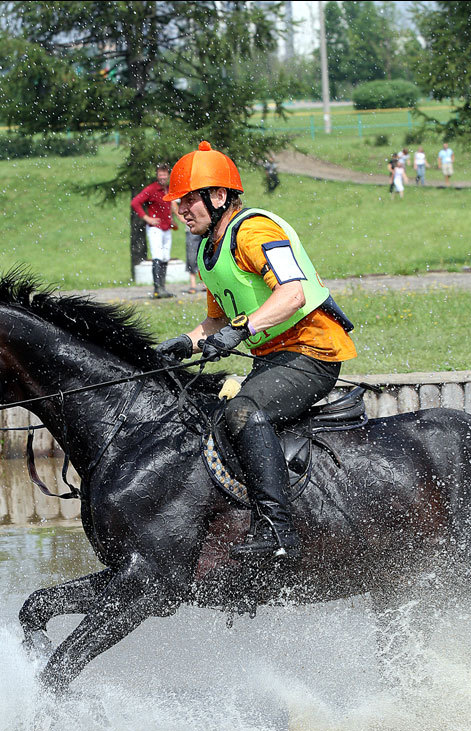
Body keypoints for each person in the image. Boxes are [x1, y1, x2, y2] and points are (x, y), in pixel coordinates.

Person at [156, 141, 357, 560]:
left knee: (242, 410)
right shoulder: (210, 253)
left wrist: (240, 330)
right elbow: (216, 320)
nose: (180, 210)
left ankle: (277, 530)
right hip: (275, 358)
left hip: (311, 352)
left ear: (219, 196)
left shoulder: (253, 231)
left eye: (189, 200)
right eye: (178, 202)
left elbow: (292, 294)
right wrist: (185, 341)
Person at [131, 163, 178, 299]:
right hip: (155, 228)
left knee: (165, 257)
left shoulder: (168, 190)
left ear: (168, 175)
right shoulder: (151, 189)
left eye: (165, 174)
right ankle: (157, 288)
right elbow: (135, 202)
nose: (163, 177)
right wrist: (146, 218)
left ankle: (162, 287)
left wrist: (172, 220)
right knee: (157, 256)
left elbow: (169, 207)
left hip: (166, 227)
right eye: (160, 174)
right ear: (157, 175)